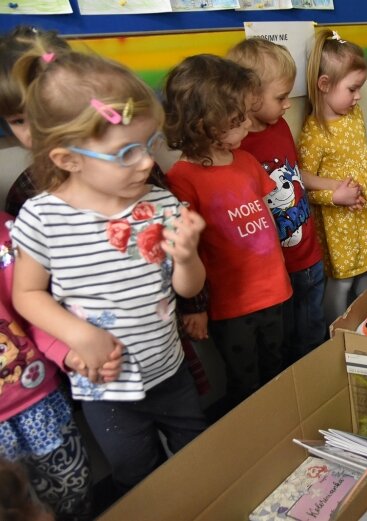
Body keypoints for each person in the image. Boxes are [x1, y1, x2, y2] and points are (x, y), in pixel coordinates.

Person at [10, 50, 208, 495]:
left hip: (170, 370)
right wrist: (78, 336)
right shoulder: (43, 218)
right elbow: (26, 295)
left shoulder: (160, 204)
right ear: (67, 159)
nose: (146, 162)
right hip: (107, 391)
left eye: (150, 143)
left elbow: (188, 287)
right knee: (137, 476)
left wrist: (188, 256)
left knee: (201, 454)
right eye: (126, 152)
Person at [163, 54, 293, 411]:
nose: (248, 127)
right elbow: (188, 251)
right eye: (238, 121)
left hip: (274, 290)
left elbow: (265, 217)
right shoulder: (182, 180)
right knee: (245, 383)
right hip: (232, 304)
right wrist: (196, 307)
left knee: (277, 368)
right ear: (206, 126)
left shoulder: (246, 161)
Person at [226, 37, 364, 365]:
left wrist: (333, 188)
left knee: (313, 328)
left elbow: (296, 173)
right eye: (281, 97)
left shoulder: (280, 126)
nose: (288, 104)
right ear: (249, 96)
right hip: (278, 269)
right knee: (288, 343)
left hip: (308, 254)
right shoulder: (239, 146)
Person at [298, 29, 367, 327]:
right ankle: (339, 333)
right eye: (353, 89)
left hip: (366, 219)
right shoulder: (315, 132)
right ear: (324, 85)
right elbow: (303, 184)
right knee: (343, 282)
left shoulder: (354, 115)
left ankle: (366, 328)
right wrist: (335, 196)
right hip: (341, 226)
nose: (358, 97)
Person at [0, 209, 94, 520]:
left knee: (74, 490)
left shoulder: (8, 232)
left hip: (37, 399)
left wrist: (66, 351)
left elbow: (32, 306)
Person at [0, 25, 69, 217]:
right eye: (18, 121)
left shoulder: (128, 162)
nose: (36, 131)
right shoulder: (24, 192)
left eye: (46, 112)